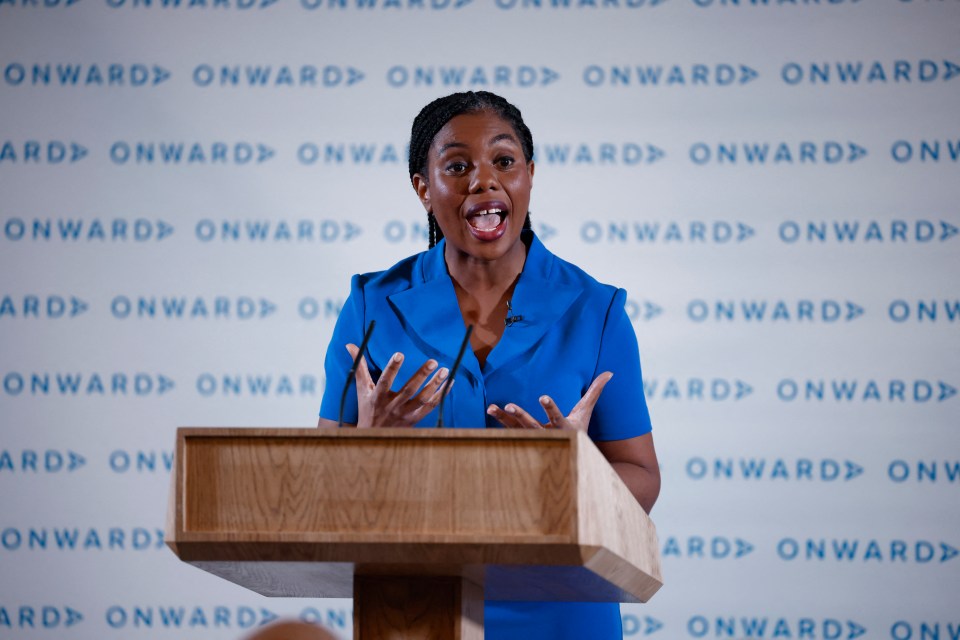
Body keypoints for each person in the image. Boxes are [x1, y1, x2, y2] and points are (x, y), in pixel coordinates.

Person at [317, 91, 659, 639]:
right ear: (423, 189)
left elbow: (641, 474)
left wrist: (580, 476)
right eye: (457, 166)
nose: (484, 181)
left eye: (504, 161)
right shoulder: (371, 306)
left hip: (561, 611)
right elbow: (320, 480)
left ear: (529, 176)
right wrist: (369, 443)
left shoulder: (596, 310)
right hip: (414, 608)